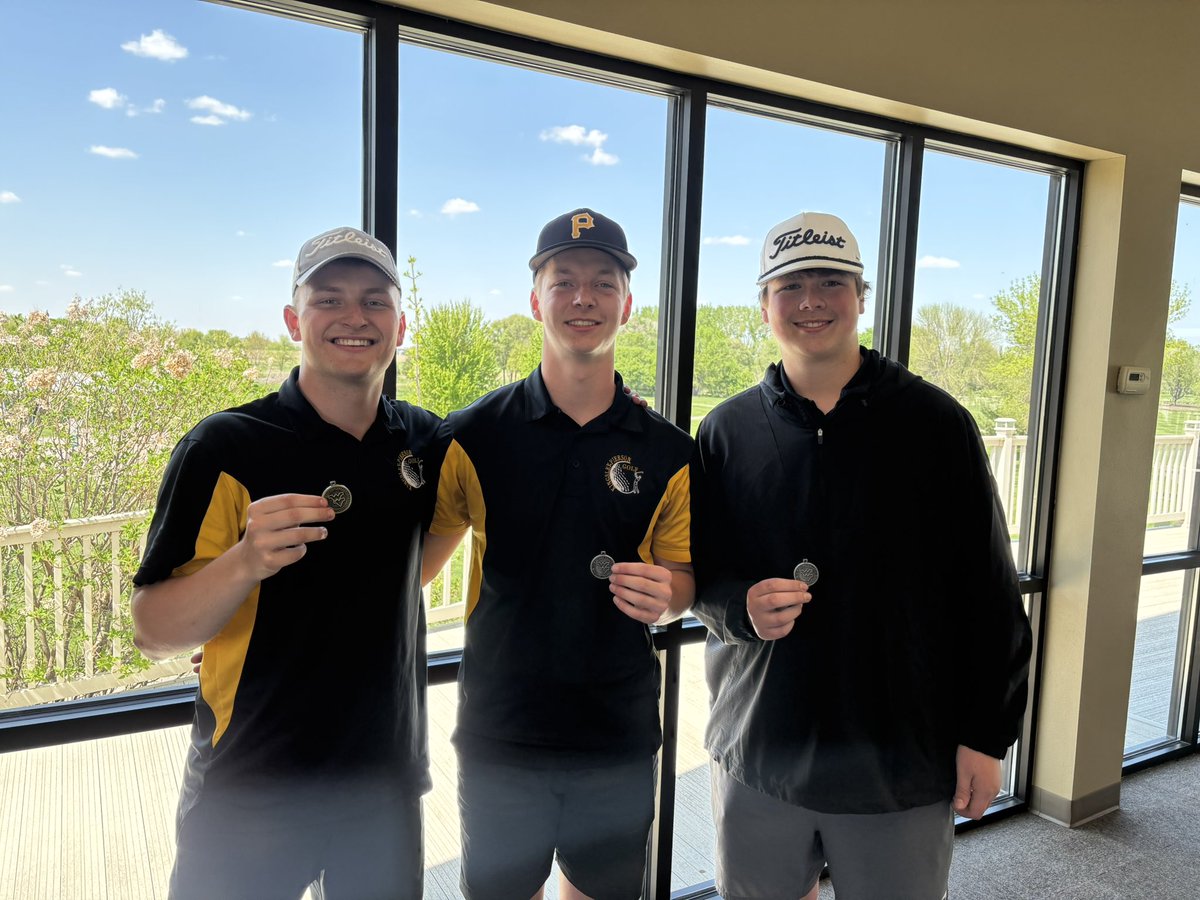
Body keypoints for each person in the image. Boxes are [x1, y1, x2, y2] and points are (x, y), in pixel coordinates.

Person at [690, 211, 1033, 900]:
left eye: (831, 282)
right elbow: (697, 575)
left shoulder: (936, 425)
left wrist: (986, 735)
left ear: (861, 297)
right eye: (790, 285)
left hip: (901, 764)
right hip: (762, 754)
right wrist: (738, 605)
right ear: (763, 305)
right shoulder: (726, 431)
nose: (811, 301)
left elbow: (989, 593)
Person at [131, 226, 444, 900]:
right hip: (249, 785)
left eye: (374, 301)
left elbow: (451, 515)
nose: (353, 317)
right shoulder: (225, 446)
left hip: (383, 786)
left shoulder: (422, 440)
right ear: (291, 319)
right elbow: (153, 629)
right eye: (328, 299)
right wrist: (243, 564)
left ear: (401, 324)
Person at [421, 208, 694, 900]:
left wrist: (670, 595)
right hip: (501, 728)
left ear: (626, 305)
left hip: (619, 728)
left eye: (603, 283)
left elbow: (685, 580)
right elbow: (410, 570)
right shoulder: (474, 436)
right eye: (563, 280)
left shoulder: (668, 451)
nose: (583, 298)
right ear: (533, 299)